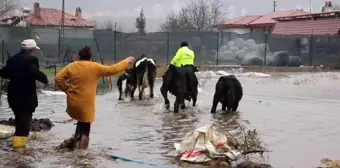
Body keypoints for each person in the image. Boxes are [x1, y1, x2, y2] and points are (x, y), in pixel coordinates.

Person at [55, 46, 135, 150]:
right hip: (86, 104)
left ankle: (74, 145)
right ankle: (82, 154)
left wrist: (66, 89)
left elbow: (58, 78)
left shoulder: (71, 66)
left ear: (79, 56)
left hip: (73, 102)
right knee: (86, 128)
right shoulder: (95, 67)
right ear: (90, 57)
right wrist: (126, 61)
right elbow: (112, 69)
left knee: (80, 122)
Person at [0, 39, 48, 151]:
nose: (35, 52)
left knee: (19, 121)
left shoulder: (12, 59)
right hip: (26, 98)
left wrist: (14, 76)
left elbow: (3, 73)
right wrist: (44, 79)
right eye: (34, 50)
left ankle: (17, 148)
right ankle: (19, 151)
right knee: (24, 126)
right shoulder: (31, 59)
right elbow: (34, 72)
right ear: (31, 50)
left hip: (13, 97)